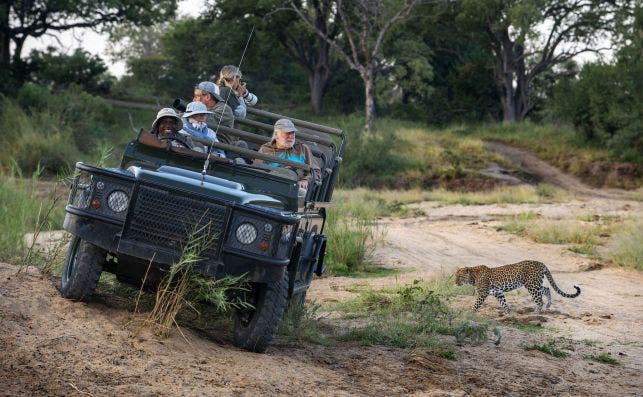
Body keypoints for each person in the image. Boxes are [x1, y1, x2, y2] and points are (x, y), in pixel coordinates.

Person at [258, 118, 320, 190]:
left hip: (295, 189)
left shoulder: (302, 149)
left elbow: (316, 172)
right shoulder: (265, 149)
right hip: (270, 186)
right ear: (276, 135)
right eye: (287, 133)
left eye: (292, 132)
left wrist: (305, 180)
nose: (291, 136)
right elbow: (257, 170)